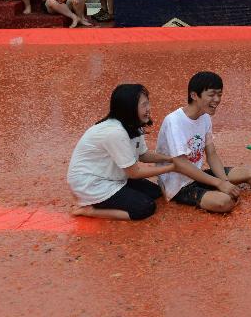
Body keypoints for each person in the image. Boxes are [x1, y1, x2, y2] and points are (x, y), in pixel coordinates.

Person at [156, 71, 251, 213]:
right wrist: (219, 183)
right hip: (178, 184)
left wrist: (224, 182)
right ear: (194, 95)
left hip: (197, 174)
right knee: (224, 202)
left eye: (219, 94)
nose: (217, 99)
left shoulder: (204, 116)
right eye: (212, 95)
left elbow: (211, 153)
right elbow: (180, 164)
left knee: (250, 171)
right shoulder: (174, 121)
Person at [68, 84, 176, 221]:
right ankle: (90, 210)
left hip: (111, 176)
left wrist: (172, 159)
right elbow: (134, 173)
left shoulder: (133, 125)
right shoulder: (115, 132)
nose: (148, 109)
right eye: (144, 105)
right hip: (91, 183)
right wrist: (173, 167)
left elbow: (143, 155)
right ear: (129, 108)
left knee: (155, 192)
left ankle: (106, 201)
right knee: (145, 207)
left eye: (148, 103)